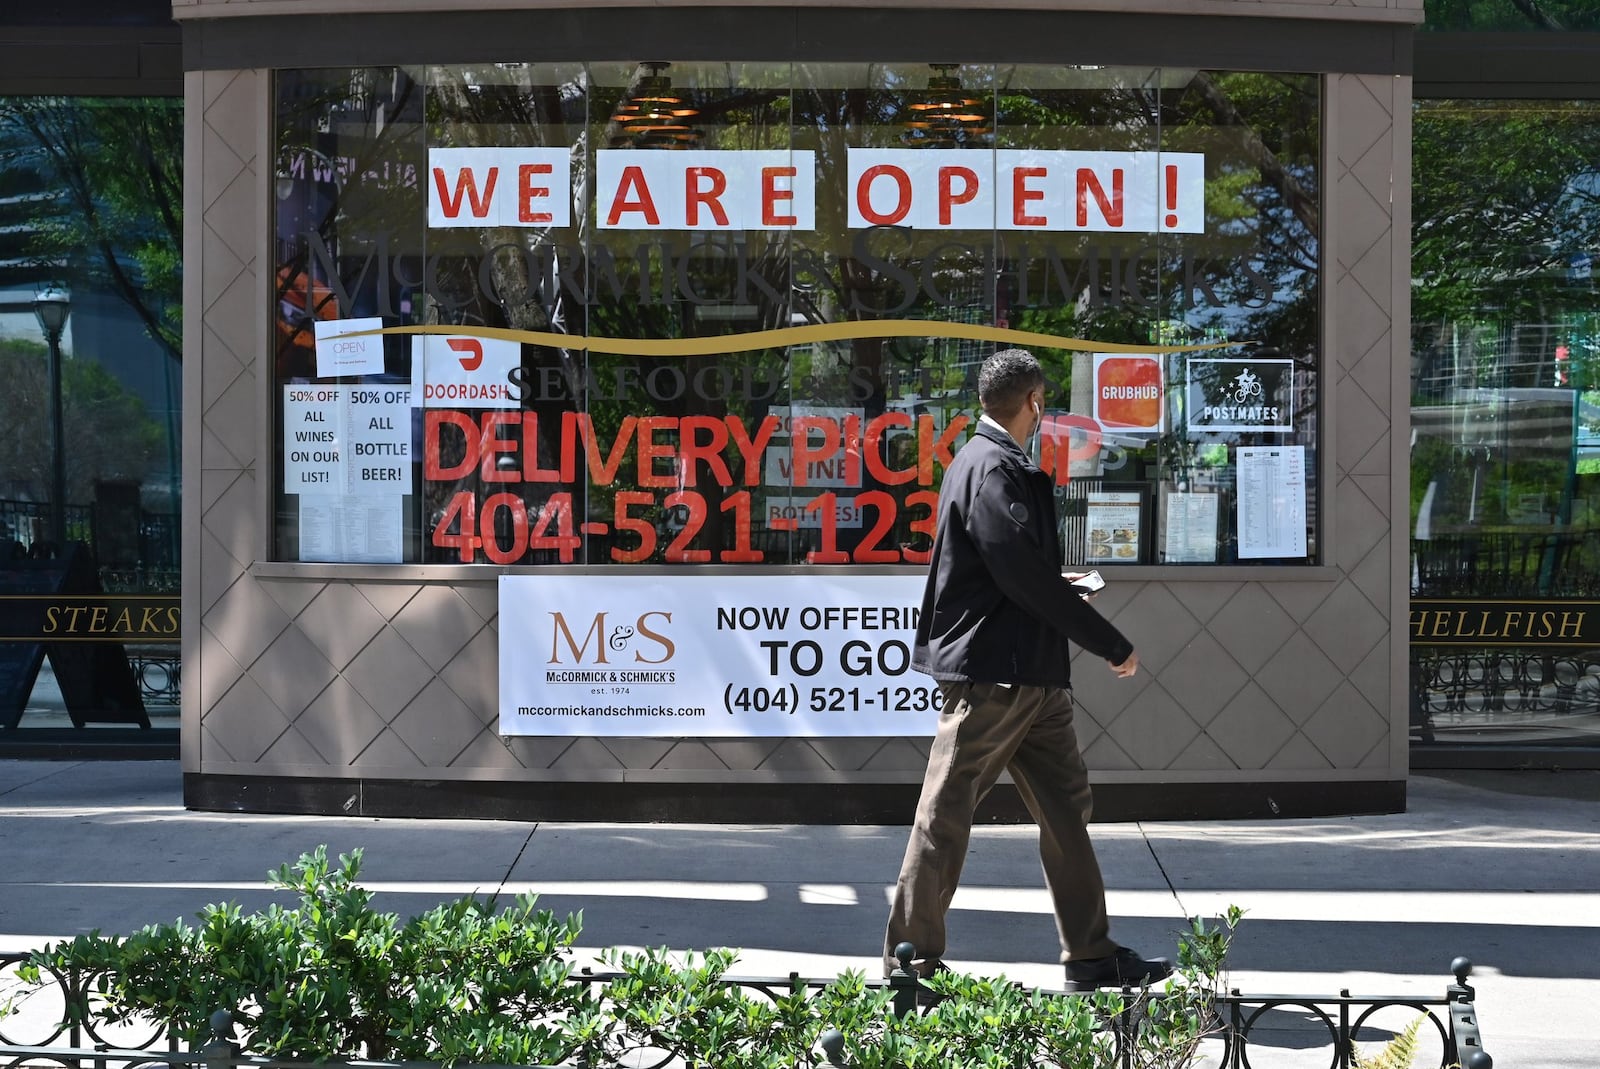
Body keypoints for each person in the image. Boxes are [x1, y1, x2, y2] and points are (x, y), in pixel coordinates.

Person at [883, 348, 1172, 993]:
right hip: (998, 676)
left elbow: (1012, 569)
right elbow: (1017, 573)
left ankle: (1091, 954)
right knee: (945, 813)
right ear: (1035, 402)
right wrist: (1109, 640)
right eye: (1047, 403)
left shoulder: (993, 466)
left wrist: (1059, 585)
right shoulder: (991, 468)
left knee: (1066, 811)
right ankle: (909, 966)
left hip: (1032, 678)